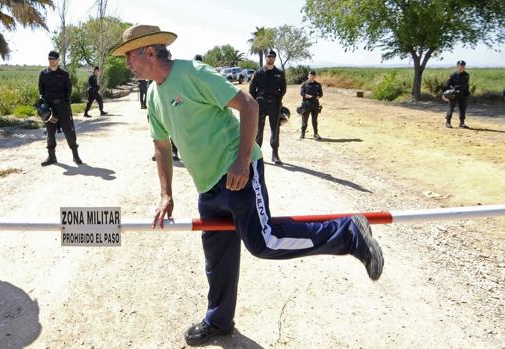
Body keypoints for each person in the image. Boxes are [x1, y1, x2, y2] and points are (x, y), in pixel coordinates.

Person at [112, 24, 384, 347]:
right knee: (218, 257)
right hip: (207, 186)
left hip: (237, 172)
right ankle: (219, 322)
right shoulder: (155, 96)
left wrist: (242, 161)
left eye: (129, 56)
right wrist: (166, 194)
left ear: (150, 52)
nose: (127, 64)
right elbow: (160, 146)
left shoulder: (194, 74)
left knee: (264, 241)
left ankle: (350, 234)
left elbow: (249, 105)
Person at [38, 51, 82, 166]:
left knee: (68, 131)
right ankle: (52, 157)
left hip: (62, 106)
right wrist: (44, 106)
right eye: (49, 59)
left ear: (58, 60)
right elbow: (41, 91)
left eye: (53, 59)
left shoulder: (64, 74)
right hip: (50, 109)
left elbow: (69, 89)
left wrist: (65, 102)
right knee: (50, 132)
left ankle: (75, 155)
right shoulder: (43, 74)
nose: (51, 61)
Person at [249, 50, 286, 165]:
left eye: (273, 57)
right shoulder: (259, 72)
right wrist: (258, 100)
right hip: (261, 104)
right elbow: (252, 89)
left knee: (275, 130)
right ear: (265, 58)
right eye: (269, 56)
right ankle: (257, 155)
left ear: (275, 58)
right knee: (259, 130)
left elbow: (283, 89)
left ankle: (275, 155)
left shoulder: (279, 73)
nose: (270, 58)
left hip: (274, 105)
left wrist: (278, 100)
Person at [445, 60, 470, 128]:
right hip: (454, 94)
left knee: (462, 109)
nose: (461, 67)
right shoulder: (453, 75)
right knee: (451, 108)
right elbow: (447, 85)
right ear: (457, 66)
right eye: (460, 65)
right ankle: (448, 123)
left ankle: (462, 123)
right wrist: (454, 90)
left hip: (463, 94)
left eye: (463, 65)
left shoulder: (466, 75)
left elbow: (466, 84)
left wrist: (467, 92)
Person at [299, 70, 324, 140]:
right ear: (308, 76)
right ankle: (302, 133)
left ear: (315, 76)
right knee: (304, 120)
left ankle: (315, 134)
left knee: (315, 120)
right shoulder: (304, 84)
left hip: (315, 105)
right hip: (306, 104)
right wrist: (307, 96)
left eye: (313, 75)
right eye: (311, 75)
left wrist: (318, 97)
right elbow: (301, 93)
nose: (312, 76)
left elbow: (321, 94)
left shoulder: (318, 85)